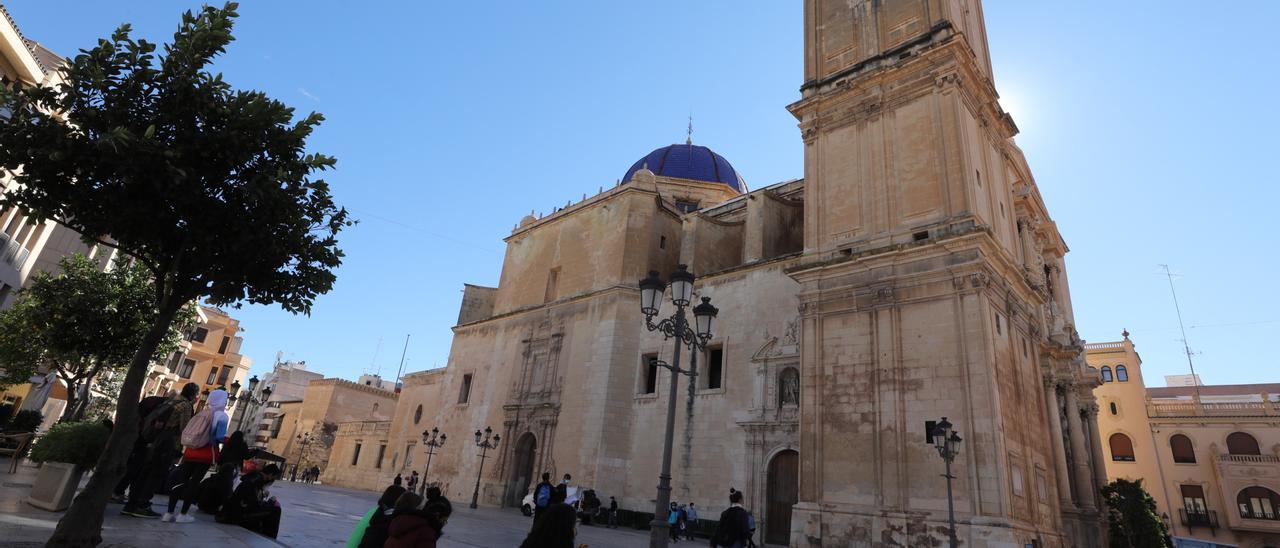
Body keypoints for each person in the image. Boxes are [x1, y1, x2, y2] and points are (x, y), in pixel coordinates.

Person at [122, 383, 198, 518]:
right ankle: (143, 505)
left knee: (144, 472)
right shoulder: (185, 405)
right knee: (156, 473)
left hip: (154, 439)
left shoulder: (172, 400)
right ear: (193, 394)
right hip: (167, 442)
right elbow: (184, 428)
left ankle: (132, 504)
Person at [164, 388, 229, 523]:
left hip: (190, 451)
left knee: (181, 481)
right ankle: (183, 514)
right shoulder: (221, 416)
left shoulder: (202, 413)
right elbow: (219, 437)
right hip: (205, 453)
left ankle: (169, 513)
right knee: (193, 484)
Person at [111, 393, 171, 505]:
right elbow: (157, 425)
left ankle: (115, 491)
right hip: (144, 440)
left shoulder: (150, 400)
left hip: (132, 434)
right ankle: (120, 492)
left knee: (127, 463)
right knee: (135, 468)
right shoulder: (164, 407)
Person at [218, 463, 283, 538]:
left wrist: (263, 497)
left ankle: (265, 531)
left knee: (271, 506)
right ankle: (270, 536)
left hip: (235, 512)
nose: (272, 480)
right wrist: (270, 502)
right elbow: (254, 505)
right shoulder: (256, 481)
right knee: (276, 509)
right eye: (274, 477)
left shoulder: (254, 478)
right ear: (270, 475)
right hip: (238, 516)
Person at [385, 493, 453, 548]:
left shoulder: (404, 521)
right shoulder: (426, 533)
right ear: (437, 515)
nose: (444, 523)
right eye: (444, 520)